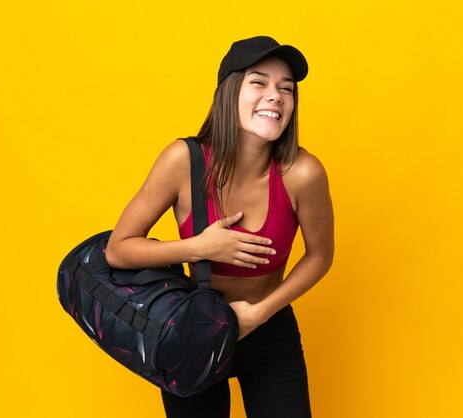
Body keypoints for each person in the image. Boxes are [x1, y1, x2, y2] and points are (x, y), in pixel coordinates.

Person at [105, 36, 334, 418]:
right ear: (230, 91)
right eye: (259, 82)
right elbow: (119, 248)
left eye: (286, 89)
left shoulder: (303, 173)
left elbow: (320, 255)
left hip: (268, 330)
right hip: (191, 331)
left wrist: (260, 313)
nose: (275, 96)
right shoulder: (183, 160)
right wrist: (200, 248)